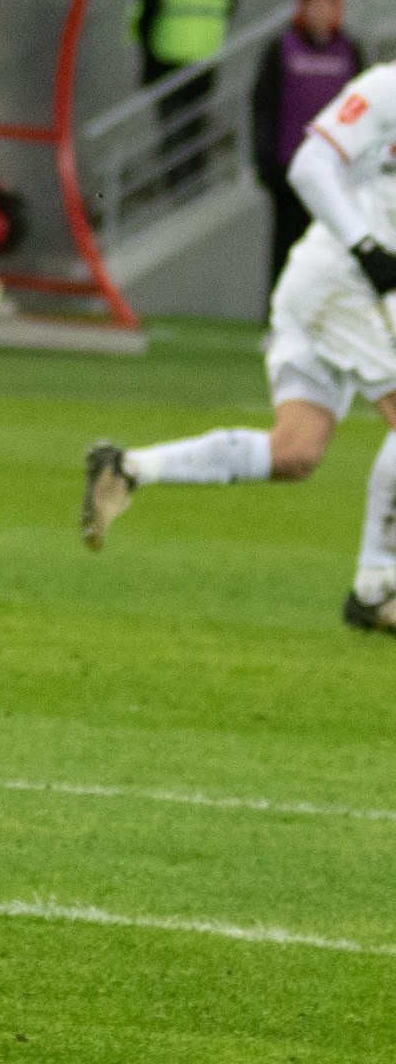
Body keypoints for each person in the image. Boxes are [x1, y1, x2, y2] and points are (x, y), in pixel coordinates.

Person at [82, 58, 396, 637]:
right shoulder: (385, 88)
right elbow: (309, 165)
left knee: (294, 452)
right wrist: (368, 247)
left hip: (347, 296)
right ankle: (376, 587)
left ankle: (127, 468)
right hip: (342, 285)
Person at [130, 0, 243, 193]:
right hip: (208, 46)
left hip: (166, 45)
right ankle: (195, 186)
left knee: (171, 126)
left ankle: (177, 189)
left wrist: (144, 46)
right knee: (196, 123)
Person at [252, 0, 361, 288]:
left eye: (326, 4)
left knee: (329, 251)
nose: (320, 12)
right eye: (313, 4)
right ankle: (280, 321)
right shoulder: (282, 48)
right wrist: (267, 161)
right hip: (291, 168)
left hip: (335, 171)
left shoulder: (349, 50)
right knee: (287, 247)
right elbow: (264, 106)